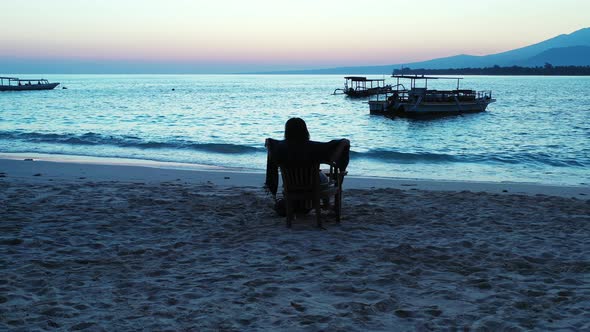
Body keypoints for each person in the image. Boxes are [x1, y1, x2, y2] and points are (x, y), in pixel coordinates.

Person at [265, 117, 350, 215]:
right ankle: (326, 205)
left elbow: (271, 146)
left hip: (291, 185)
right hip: (313, 185)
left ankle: (295, 204)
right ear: (305, 130)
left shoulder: (280, 148)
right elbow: (334, 151)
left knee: (310, 175)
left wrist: (269, 143)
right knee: (322, 176)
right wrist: (345, 142)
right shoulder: (314, 147)